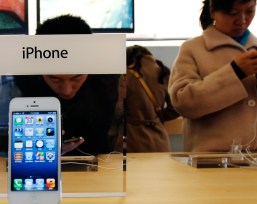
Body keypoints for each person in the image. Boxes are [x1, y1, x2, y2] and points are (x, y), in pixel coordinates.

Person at [168, 0, 257, 152]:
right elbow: (183, 103)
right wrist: (235, 71)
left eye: (250, 11)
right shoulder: (192, 49)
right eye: (232, 13)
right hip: (211, 160)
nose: (242, 20)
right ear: (212, 10)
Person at [14, 14, 120, 155]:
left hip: (97, 164)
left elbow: (100, 139)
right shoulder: (23, 81)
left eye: (77, 78)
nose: (67, 90)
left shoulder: (106, 80)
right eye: (55, 79)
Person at [118, 45, 179, 152]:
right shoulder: (163, 72)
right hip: (159, 141)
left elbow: (117, 109)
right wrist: (155, 118)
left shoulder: (125, 76)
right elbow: (175, 108)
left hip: (132, 140)